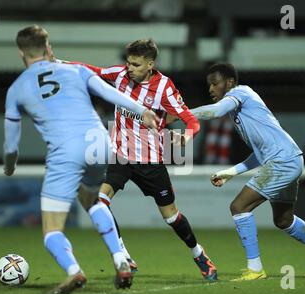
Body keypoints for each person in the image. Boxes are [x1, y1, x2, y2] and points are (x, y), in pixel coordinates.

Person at [3, 25, 159, 294]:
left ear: (20, 52)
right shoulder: (76, 70)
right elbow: (110, 93)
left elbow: (10, 146)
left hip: (66, 150)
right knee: (93, 199)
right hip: (98, 142)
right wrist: (142, 110)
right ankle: (120, 258)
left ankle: (74, 271)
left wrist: (9, 166)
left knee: (51, 230)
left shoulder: (16, 89)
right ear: (48, 47)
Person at [60, 39, 218, 281]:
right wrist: (56, 63)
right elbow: (90, 70)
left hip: (150, 162)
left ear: (150, 64)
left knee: (171, 216)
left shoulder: (164, 87)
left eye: (135, 64)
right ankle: (123, 255)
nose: (129, 68)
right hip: (121, 156)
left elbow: (191, 120)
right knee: (100, 201)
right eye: (128, 62)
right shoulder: (120, 74)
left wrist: (187, 136)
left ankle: (199, 254)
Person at [190, 63, 305, 281]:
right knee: (283, 220)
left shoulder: (240, 92)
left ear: (230, 83)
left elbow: (214, 112)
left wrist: (182, 114)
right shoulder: (241, 112)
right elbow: (260, 155)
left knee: (239, 206)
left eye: (215, 83)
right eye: (209, 85)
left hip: (282, 162)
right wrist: (231, 172)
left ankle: (255, 269)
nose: (211, 89)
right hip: (289, 159)